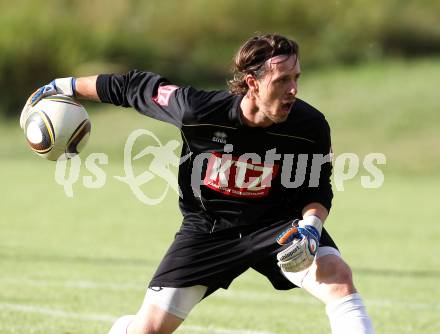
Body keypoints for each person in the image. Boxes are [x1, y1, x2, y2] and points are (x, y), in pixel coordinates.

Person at [22, 34, 375, 334]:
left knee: (338, 277)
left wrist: (311, 230)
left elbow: (318, 189)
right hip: (209, 230)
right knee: (149, 329)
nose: (293, 90)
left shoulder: (308, 125)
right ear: (252, 83)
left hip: (278, 227)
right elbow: (131, 87)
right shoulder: (199, 112)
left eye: (296, 77)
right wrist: (61, 86)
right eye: (282, 80)